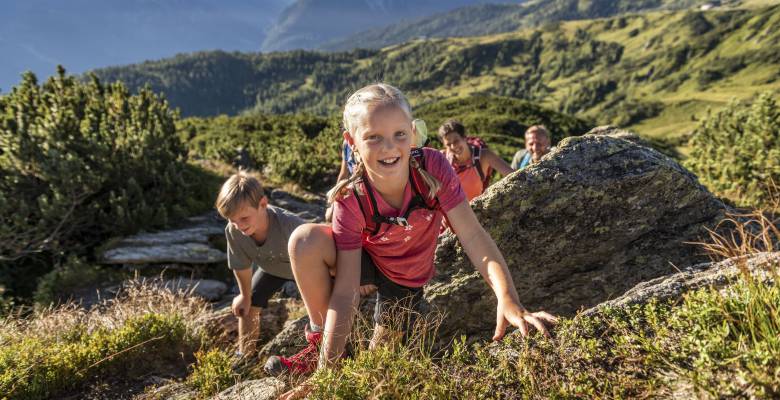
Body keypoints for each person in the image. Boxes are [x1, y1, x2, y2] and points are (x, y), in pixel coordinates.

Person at [266, 84, 557, 399]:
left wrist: (507, 298)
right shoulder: (351, 198)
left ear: (413, 134)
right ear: (351, 143)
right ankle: (321, 348)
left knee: (377, 367)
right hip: (366, 258)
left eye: (399, 135)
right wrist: (327, 376)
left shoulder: (431, 168)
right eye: (373, 137)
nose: (389, 148)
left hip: (404, 278)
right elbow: (345, 291)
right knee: (304, 240)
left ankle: (340, 355)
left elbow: (472, 235)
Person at [215, 172, 305, 362]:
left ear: (263, 204)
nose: (238, 226)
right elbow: (241, 266)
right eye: (232, 220)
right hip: (272, 268)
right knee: (248, 306)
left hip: (306, 268)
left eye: (244, 218)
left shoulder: (291, 226)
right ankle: (244, 357)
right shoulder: (234, 231)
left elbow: (328, 255)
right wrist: (244, 296)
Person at [439, 119, 514, 201]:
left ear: (464, 137)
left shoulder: (484, 156)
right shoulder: (442, 159)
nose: (453, 146)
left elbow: (514, 175)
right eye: (448, 144)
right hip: (451, 211)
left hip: (477, 209)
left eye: (456, 141)